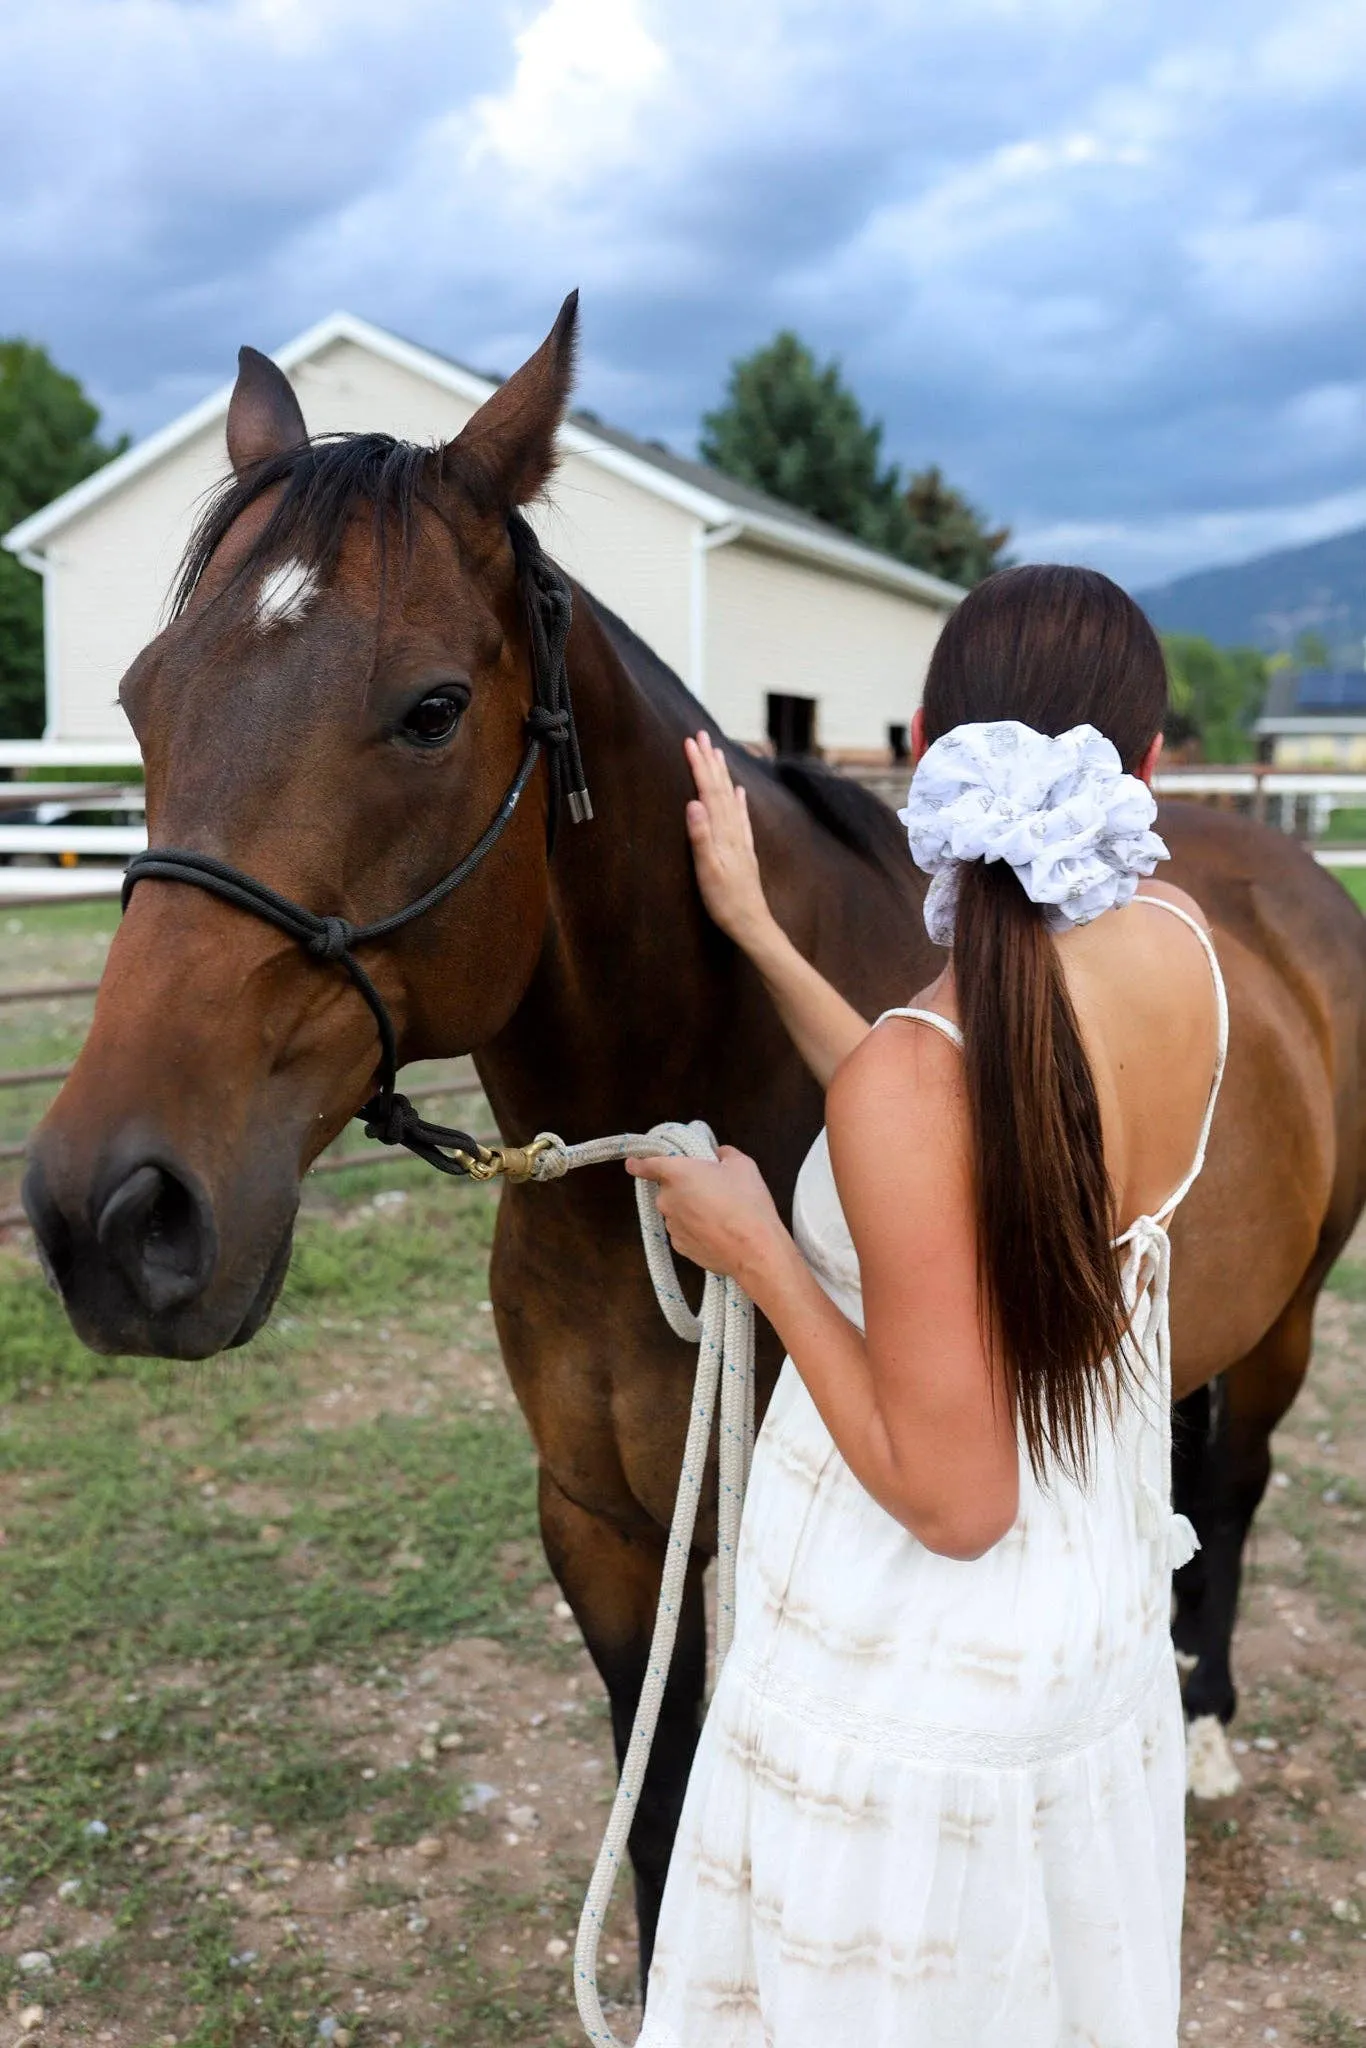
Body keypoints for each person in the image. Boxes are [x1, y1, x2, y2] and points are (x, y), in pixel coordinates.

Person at [627, 564, 1225, 2048]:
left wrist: (758, 1249)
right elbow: (955, 1133)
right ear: (1147, 769)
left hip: (909, 1693)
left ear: (918, 741)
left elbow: (955, 1502)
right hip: (1079, 1650)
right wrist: (765, 938)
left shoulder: (925, 1070)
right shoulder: (1185, 962)